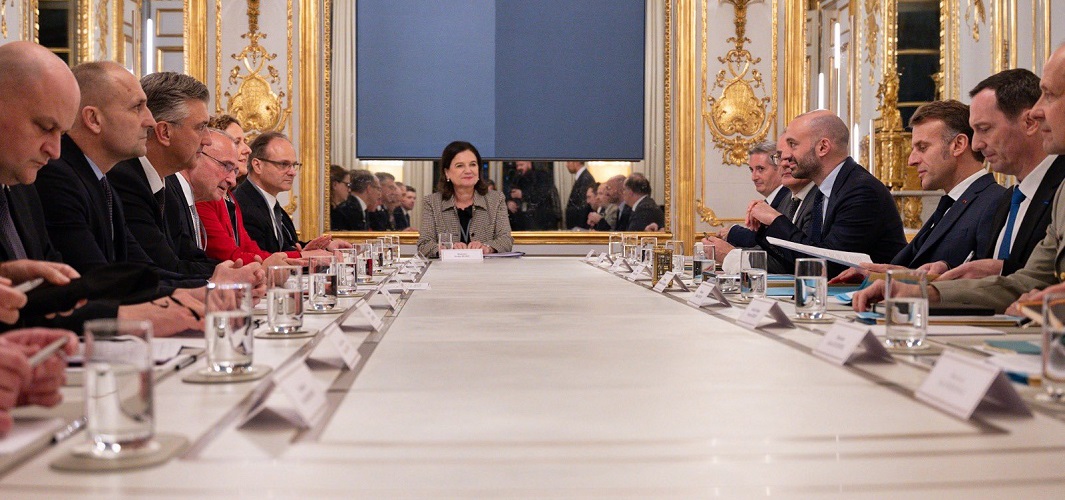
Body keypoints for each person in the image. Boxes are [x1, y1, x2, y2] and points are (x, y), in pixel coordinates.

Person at [853, 44, 1065, 315]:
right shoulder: (1019, 198)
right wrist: (925, 283)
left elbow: (1028, 283)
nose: (1037, 110)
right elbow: (1022, 281)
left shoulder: (1012, 196)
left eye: (1049, 95)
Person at [833, 100, 1005, 282]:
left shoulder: (996, 203)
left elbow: (985, 284)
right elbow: (920, 269)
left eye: (922, 148)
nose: (912, 160)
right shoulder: (952, 203)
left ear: (958, 145)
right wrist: (883, 274)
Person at [933, 68, 1065, 281]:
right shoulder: (1007, 200)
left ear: (1029, 123)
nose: (976, 145)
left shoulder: (1060, 188)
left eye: (984, 129)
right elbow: (990, 271)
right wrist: (950, 270)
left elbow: (1041, 280)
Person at [742, 110, 906, 277]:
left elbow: (829, 266)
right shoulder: (825, 191)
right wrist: (766, 226)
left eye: (793, 145)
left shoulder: (861, 191)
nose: (786, 156)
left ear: (822, 147)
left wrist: (775, 219)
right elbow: (808, 252)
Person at [106, 69, 218, 277]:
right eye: (201, 127)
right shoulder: (124, 180)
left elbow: (190, 257)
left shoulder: (167, 184)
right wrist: (224, 277)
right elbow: (164, 268)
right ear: (165, 132)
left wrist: (241, 271)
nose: (208, 140)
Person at [231, 131, 345, 254]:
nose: (292, 172)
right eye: (284, 164)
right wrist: (302, 256)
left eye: (294, 165)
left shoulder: (270, 204)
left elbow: (287, 246)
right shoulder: (243, 206)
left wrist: (326, 246)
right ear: (257, 165)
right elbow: (261, 258)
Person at [418, 141, 513, 257]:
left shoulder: (496, 199)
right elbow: (424, 245)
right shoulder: (432, 202)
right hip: (447, 268)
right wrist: (448, 249)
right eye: (460, 166)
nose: (468, 171)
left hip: (485, 267)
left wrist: (487, 247)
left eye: (473, 164)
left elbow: (506, 240)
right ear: (447, 172)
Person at [719, 141, 789, 248]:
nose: (754, 177)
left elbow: (766, 241)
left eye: (760, 169)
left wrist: (732, 232)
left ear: (779, 168)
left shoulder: (788, 199)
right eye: (752, 170)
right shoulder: (772, 201)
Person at [507, 160, 560, 230]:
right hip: (522, 225)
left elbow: (542, 195)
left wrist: (523, 194)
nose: (519, 168)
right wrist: (509, 202)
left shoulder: (541, 176)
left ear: (529, 164)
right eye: (517, 165)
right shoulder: (517, 179)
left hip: (540, 224)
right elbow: (509, 193)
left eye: (521, 165)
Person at [564, 161, 595, 229]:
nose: (566, 165)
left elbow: (583, 208)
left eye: (568, 162)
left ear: (577, 162)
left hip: (580, 228)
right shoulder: (582, 177)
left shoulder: (585, 178)